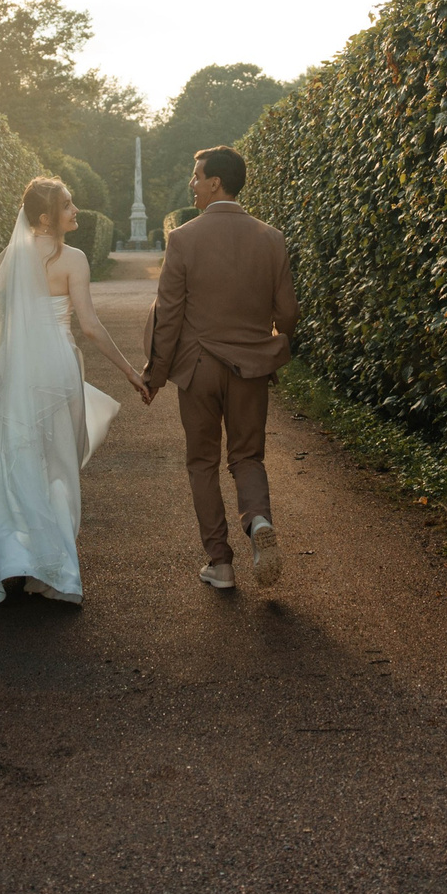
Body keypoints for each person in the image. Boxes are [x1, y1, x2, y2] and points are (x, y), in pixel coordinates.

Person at [0, 176, 150, 603]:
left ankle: (15, 556)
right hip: (58, 369)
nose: (75, 211)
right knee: (58, 467)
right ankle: (50, 570)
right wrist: (128, 371)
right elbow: (88, 326)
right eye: (68, 206)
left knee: (14, 458)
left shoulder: (13, 256)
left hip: (14, 371)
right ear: (47, 217)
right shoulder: (74, 259)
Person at [143, 145, 300, 590]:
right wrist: (271, 342)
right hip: (250, 367)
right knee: (248, 456)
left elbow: (169, 315)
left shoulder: (184, 238)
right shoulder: (271, 237)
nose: (191, 184)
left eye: (197, 177)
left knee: (202, 462)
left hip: (198, 368)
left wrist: (154, 377)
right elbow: (287, 310)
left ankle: (220, 562)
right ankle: (259, 522)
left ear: (216, 183)